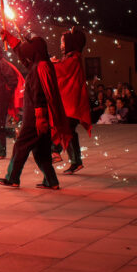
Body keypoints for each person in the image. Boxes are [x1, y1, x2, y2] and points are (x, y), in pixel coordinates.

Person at [0, 31, 71, 190]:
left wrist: (39, 117)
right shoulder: (42, 64)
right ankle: (51, 181)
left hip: (35, 119)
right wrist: (12, 41)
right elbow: (25, 60)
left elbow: (39, 94)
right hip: (39, 118)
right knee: (41, 151)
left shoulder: (40, 68)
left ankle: (12, 178)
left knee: (20, 146)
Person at [52, 27, 92, 174]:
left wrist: (51, 64)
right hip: (69, 103)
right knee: (67, 130)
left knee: (66, 129)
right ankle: (73, 160)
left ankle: (57, 152)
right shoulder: (70, 58)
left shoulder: (74, 58)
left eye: (63, 42)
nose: (61, 45)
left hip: (72, 104)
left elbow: (61, 71)